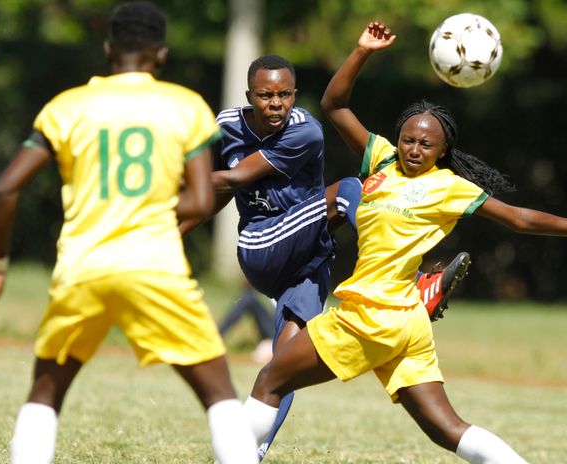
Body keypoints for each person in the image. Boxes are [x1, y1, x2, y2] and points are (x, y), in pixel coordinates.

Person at [237, 21, 567, 463]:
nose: (414, 149)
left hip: (371, 316)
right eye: (409, 140)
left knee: (269, 380)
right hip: (405, 321)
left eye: (426, 144)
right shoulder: (381, 160)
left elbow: (518, 218)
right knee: (445, 429)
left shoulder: (449, 187)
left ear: (441, 151)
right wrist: (362, 52)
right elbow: (334, 105)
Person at [0, 3, 256, 463]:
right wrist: (146, 207)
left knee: (45, 393)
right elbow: (201, 201)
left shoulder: (67, 106)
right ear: (161, 54)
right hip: (155, 266)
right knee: (218, 393)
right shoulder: (185, 106)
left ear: (107, 49)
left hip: (83, 267)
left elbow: (5, 189)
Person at [180, 53, 472, 459]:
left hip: (308, 261)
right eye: (265, 95)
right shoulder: (227, 125)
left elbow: (233, 178)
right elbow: (227, 185)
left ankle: (251, 453)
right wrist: (174, 231)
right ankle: (413, 282)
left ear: (294, 94)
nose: (276, 103)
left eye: (284, 94)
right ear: (249, 96)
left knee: (282, 370)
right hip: (262, 243)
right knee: (351, 188)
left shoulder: (305, 131)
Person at [217, 281, 275, 363]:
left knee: (248, 299)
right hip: (274, 321)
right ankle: (217, 336)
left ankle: (216, 337)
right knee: (248, 297)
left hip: (279, 329)